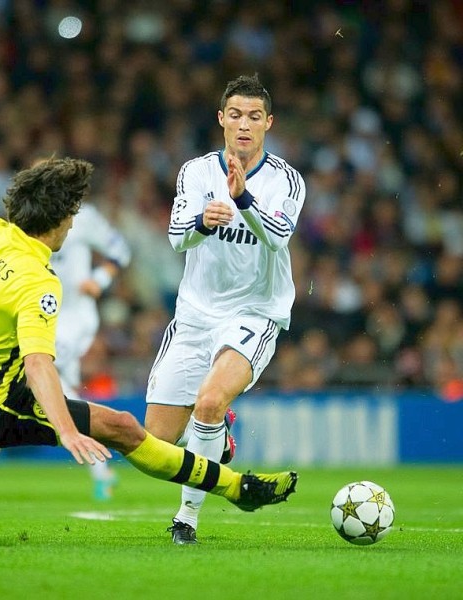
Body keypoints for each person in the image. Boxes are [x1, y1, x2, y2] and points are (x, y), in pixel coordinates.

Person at [0, 122, 298, 542]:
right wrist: (66, 431)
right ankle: (239, 489)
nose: (73, 225)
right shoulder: (38, 282)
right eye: (72, 217)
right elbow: (39, 363)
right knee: (122, 428)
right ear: (59, 221)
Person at [143, 74, 306, 544]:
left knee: (210, 402)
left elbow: (277, 236)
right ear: (221, 119)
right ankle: (222, 440)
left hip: (255, 311)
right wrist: (202, 221)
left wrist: (242, 201)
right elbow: (177, 238)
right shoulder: (195, 172)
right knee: (156, 446)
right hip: (196, 315)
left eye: (255, 117)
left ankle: (186, 520)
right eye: (235, 114)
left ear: (268, 123)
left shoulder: (287, 181)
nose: (244, 125)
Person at [50, 201, 131, 500]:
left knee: (45, 375)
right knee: (61, 394)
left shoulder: (83, 217)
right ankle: (102, 470)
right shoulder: (25, 216)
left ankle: (108, 461)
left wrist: (100, 279)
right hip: (43, 316)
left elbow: (120, 249)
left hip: (73, 317)